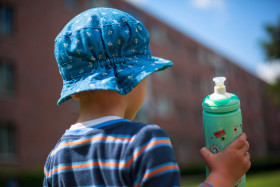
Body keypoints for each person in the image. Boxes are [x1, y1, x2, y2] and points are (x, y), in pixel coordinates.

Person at [43, 8, 250, 187]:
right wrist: (223, 175)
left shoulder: (55, 159)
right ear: (132, 78)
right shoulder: (144, 142)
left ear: (76, 90)